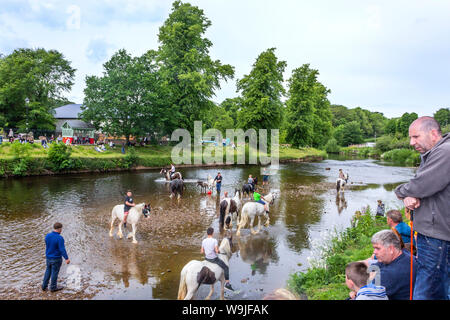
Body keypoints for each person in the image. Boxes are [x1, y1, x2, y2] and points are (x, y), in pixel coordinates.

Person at [394, 116, 449, 300]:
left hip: (437, 238)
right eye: (411, 138)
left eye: (416, 137)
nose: (411, 142)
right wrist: (411, 194)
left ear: (433, 133)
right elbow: (421, 186)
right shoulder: (433, 153)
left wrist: (401, 191)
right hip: (433, 236)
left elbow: (421, 184)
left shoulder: (445, 152)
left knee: (425, 291)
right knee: (438, 289)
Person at [362, 229, 417, 300]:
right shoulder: (405, 254)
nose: (374, 252)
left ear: (391, 249)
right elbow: (375, 266)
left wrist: (357, 289)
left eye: (377, 248)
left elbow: (366, 294)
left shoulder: (390, 274)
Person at [201, 227, 234, 291]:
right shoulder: (214, 240)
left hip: (206, 258)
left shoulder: (204, 241)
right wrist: (218, 251)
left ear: (207, 233)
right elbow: (216, 251)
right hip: (213, 259)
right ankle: (227, 284)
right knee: (226, 267)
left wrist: (207, 251)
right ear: (212, 233)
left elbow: (202, 251)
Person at [42, 222, 70, 292]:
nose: (61, 230)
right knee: (54, 272)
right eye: (61, 229)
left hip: (48, 258)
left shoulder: (47, 236)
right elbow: (62, 249)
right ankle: (53, 287)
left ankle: (44, 286)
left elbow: (47, 244)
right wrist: (66, 258)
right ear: (59, 229)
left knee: (48, 271)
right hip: (56, 258)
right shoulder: (59, 238)